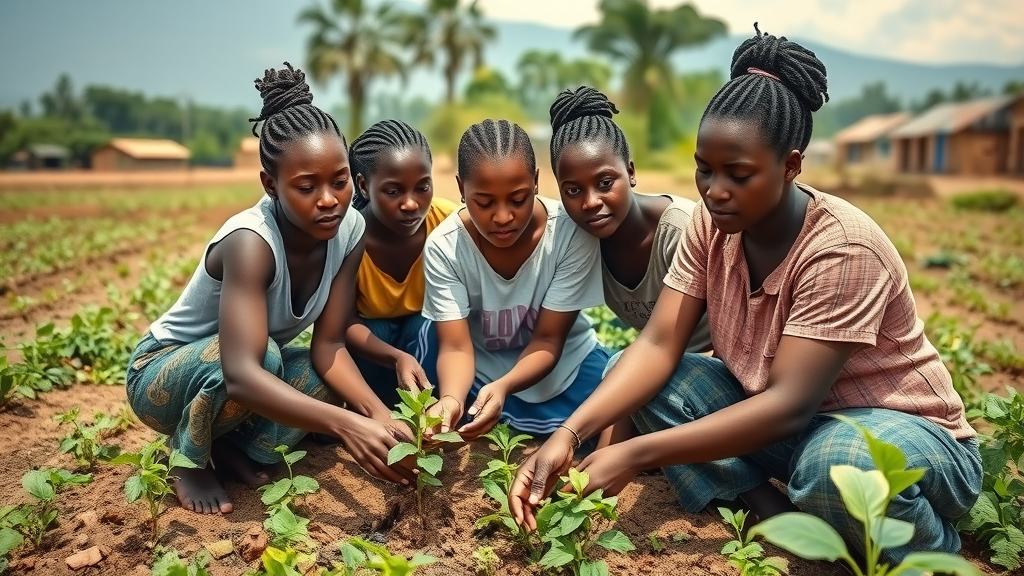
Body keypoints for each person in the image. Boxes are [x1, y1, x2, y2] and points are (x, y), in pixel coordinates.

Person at [510, 26, 981, 562]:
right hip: (798, 433)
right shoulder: (710, 227)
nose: (714, 191)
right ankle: (779, 518)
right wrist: (569, 436)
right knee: (641, 376)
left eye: (738, 174)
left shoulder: (843, 247)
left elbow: (787, 406)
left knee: (839, 464)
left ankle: (930, 556)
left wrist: (636, 455)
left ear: (791, 165)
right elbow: (659, 344)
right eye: (705, 171)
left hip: (901, 440)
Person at [125, 63, 417, 515]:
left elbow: (332, 343)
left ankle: (232, 449)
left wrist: (377, 415)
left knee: (321, 378)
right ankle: (188, 459)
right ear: (271, 185)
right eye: (306, 186)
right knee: (267, 358)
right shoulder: (251, 242)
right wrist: (346, 425)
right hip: (162, 375)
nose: (328, 199)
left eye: (339, 182)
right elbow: (241, 371)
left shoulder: (349, 228)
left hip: (242, 370)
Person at [421, 118, 607, 441]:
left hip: (562, 366)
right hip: (477, 373)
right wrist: (451, 398)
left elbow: (549, 341)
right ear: (461, 189)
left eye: (518, 199)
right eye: (485, 202)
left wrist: (505, 386)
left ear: (536, 182)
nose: (503, 216)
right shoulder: (444, 247)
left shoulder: (569, 234)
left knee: (609, 407)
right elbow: (455, 346)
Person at [345, 119, 457, 409]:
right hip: (371, 350)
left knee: (428, 323)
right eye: (393, 191)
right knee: (378, 329)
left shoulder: (448, 222)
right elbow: (341, 324)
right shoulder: (347, 236)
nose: (411, 204)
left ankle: (431, 406)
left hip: (427, 342)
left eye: (423, 187)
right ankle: (374, 407)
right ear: (363, 186)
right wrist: (396, 357)